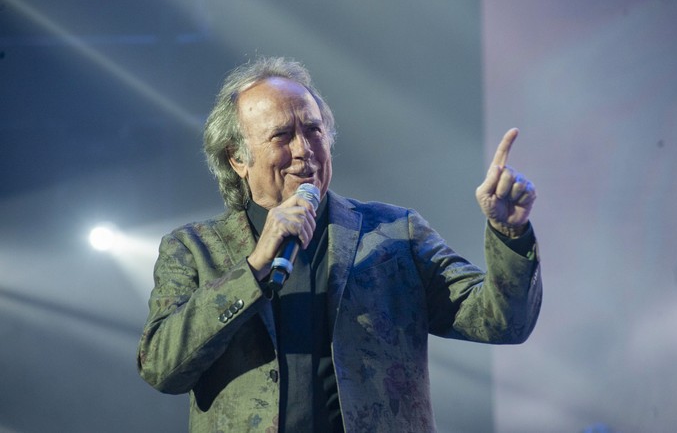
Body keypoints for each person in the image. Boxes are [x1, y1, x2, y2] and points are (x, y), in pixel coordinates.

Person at [137, 56, 542, 433]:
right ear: (237, 159)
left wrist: (509, 233)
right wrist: (254, 267)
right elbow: (162, 367)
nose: (303, 149)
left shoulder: (393, 232)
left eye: (313, 130)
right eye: (281, 135)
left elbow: (503, 322)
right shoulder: (193, 249)